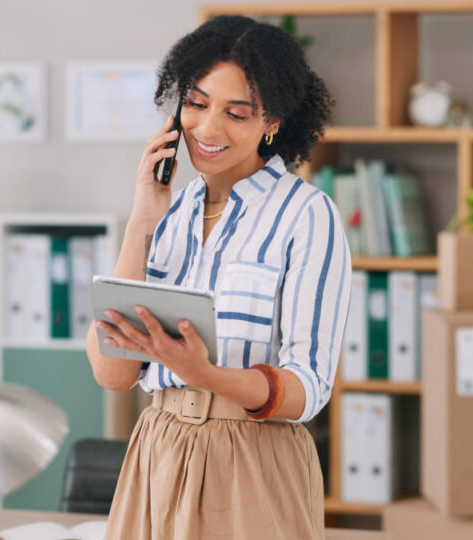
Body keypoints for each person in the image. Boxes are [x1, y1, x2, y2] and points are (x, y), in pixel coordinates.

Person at [85, 14, 351, 540]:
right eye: (196, 104)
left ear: (271, 120)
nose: (207, 129)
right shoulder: (170, 213)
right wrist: (142, 217)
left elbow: (308, 387)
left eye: (235, 112)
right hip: (157, 451)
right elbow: (113, 374)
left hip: (252, 460)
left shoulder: (306, 214)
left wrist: (206, 374)